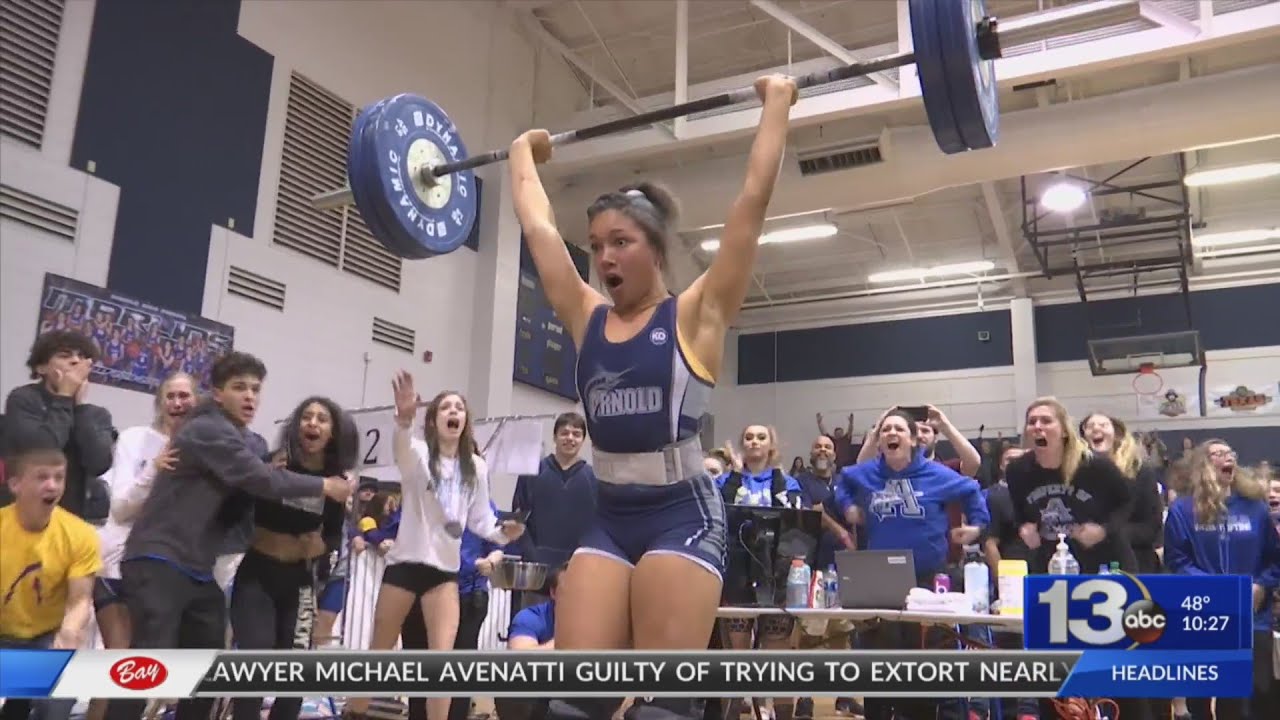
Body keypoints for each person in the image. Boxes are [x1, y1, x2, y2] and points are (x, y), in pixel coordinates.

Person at [507, 71, 796, 720]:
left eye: (621, 242)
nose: (605, 258)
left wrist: (777, 103)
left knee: (661, 708)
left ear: (656, 249)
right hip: (609, 515)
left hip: (682, 515)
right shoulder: (586, 317)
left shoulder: (696, 314)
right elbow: (538, 229)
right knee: (574, 704)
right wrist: (522, 153)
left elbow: (751, 203)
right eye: (597, 246)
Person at [103, 353, 353, 720]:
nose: (250, 396)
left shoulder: (247, 443)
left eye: (255, 389)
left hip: (198, 568)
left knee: (209, 669)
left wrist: (318, 537)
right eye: (239, 388)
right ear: (217, 394)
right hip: (160, 558)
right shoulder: (208, 429)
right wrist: (324, 486)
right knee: (149, 660)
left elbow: (255, 487)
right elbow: (260, 479)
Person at [342, 377, 524, 720]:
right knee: (377, 653)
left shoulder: (476, 467)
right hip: (404, 568)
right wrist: (403, 419)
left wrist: (504, 533)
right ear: (434, 419)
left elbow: (482, 521)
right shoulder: (419, 454)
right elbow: (401, 448)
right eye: (445, 407)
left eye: (459, 407)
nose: (453, 412)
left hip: (444, 575)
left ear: (465, 420)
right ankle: (355, 711)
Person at [835, 408, 989, 720]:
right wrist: (848, 507)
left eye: (899, 429)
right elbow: (842, 483)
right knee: (880, 664)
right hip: (881, 579)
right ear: (879, 441)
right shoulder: (866, 473)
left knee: (925, 663)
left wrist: (976, 526)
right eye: (885, 430)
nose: (891, 434)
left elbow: (971, 489)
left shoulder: (935, 474)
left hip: (928, 579)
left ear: (914, 439)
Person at [1005, 398, 1146, 720]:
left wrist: (1104, 529)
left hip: (1105, 563)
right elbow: (1019, 513)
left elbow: (1128, 503)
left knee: (1114, 661)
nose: (1038, 427)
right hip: (1052, 567)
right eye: (1032, 421)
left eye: (1046, 421)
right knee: (1054, 663)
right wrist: (1024, 528)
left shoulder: (1093, 466)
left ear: (1064, 430)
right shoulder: (1019, 470)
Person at [230, 396, 358, 720]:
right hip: (257, 576)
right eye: (306, 417)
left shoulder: (337, 482)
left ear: (332, 432)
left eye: (322, 419)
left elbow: (333, 535)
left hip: (299, 581)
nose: (312, 423)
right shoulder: (276, 463)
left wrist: (321, 546)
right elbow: (240, 507)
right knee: (254, 667)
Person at [87, 372, 195, 720]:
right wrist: (155, 470)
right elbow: (120, 507)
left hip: (165, 571)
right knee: (119, 661)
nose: (177, 403)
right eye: (170, 396)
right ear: (160, 402)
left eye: (185, 396)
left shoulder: (202, 452)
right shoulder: (135, 439)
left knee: (147, 670)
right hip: (118, 564)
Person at [1164, 441, 1280, 720]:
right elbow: (1177, 561)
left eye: (1230, 453)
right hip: (1203, 613)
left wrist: (1261, 584)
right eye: (1218, 454)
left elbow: (1274, 558)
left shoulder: (1255, 508)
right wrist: (1219, 591)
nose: (1227, 457)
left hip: (1252, 615)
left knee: (1252, 696)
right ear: (1201, 465)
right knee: (1201, 695)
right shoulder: (1183, 510)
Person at [0, 448, 100, 720]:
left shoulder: (80, 534)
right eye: (42, 477)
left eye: (59, 477)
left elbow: (80, 599)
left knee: (62, 693)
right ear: (15, 485)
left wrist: (70, 629)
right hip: (3, 636)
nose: (52, 486)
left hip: (46, 637)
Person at [3, 330, 115, 520]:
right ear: (41, 367)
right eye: (64, 356)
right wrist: (64, 396)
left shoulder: (96, 414)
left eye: (82, 356)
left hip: (69, 517)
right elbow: (43, 452)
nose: (75, 361)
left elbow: (99, 464)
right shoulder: (23, 399)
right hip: (19, 513)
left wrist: (80, 407)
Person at [511, 411, 596, 606]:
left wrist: (581, 561)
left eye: (576, 434)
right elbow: (519, 520)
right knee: (533, 623)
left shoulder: (594, 480)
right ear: (555, 437)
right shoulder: (532, 473)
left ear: (583, 440)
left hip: (576, 573)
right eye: (564, 433)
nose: (570, 438)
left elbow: (597, 527)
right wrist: (532, 558)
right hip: (536, 575)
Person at [1079, 413, 1163, 573]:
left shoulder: (1140, 472)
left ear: (1117, 434)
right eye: (1090, 427)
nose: (1096, 428)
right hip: (1089, 564)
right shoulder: (1077, 474)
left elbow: (1151, 527)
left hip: (1136, 562)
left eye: (1103, 425)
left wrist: (1106, 533)